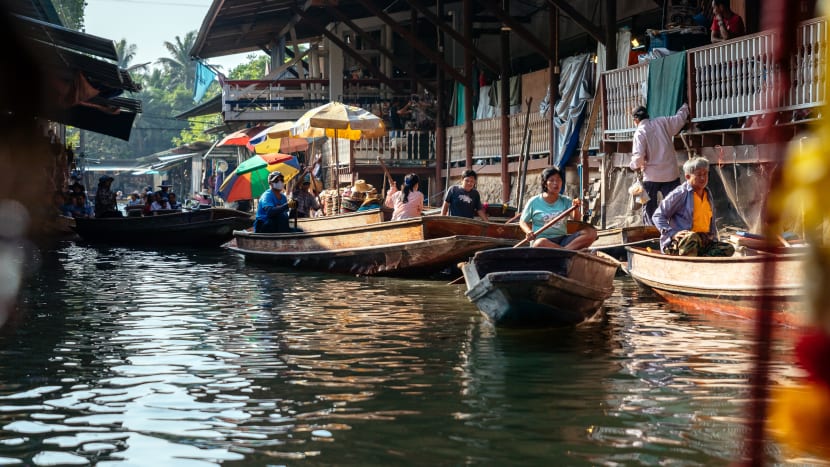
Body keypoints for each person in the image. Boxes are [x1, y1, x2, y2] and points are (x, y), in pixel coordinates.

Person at [652, 157, 735, 257]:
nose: (703, 178)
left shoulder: (707, 194)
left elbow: (711, 225)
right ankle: (690, 263)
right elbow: (657, 216)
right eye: (699, 175)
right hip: (682, 243)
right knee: (692, 237)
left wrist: (714, 240)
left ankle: (704, 260)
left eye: (705, 174)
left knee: (729, 249)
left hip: (702, 242)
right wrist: (672, 233)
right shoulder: (680, 194)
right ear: (687, 176)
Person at [629, 103, 690, 226]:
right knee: (674, 205)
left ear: (635, 120)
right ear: (647, 115)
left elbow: (639, 159)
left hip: (651, 177)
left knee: (649, 208)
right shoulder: (662, 122)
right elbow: (679, 119)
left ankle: (652, 233)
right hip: (671, 174)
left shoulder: (640, 132)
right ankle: (677, 230)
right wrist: (684, 107)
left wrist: (632, 165)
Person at [519, 167, 597, 249]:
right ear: (545, 183)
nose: (556, 183)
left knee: (591, 233)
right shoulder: (534, 201)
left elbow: (576, 220)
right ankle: (569, 251)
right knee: (539, 243)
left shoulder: (566, 200)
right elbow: (522, 221)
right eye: (552, 180)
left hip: (562, 240)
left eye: (558, 180)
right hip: (544, 242)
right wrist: (529, 232)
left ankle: (565, 251)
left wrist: (575, 208)